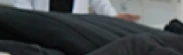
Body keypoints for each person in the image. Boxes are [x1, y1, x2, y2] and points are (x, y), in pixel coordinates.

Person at [12, 0, 140, 20]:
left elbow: (100, 3)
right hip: (43, 27)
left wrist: (113, 19)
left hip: (72, 29)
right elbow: (22, 7)